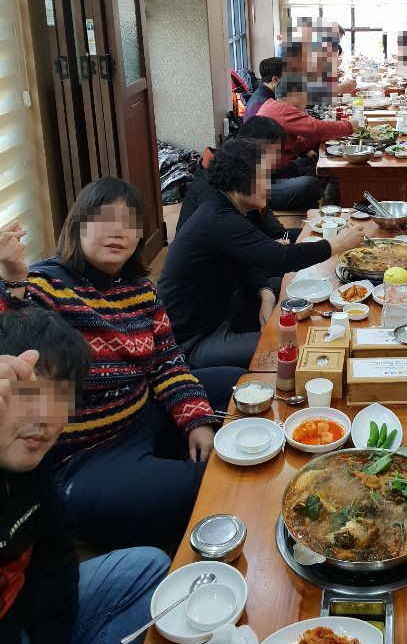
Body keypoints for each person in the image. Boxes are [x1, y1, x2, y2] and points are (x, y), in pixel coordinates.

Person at [0, 180, 238, 551]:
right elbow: (15, 341)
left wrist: (196, 420)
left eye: (129, 223)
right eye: (104, 220)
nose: (118, 232)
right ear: (77, 225)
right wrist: (13, 281)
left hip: (142, 416)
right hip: (84, 457)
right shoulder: (44, 285)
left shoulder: (141, 290)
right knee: (211, 484)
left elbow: (167, 362)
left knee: (240, 383)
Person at [0, 309, 171, 644]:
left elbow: (55, 560)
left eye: (60, 396)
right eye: (26, 393)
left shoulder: (36, 467)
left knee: (151, 564)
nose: (44, 417)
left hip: (28, 610)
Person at [159, 137, 365, 370]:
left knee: (286, 293)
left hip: (227, 311)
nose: (268, 185)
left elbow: (245, 261)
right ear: (240, 178)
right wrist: (337, 243)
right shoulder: (218, 217)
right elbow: (281, 258)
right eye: (263, 177)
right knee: (295, 347)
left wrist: (264, 292)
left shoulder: (227, 208)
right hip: (193, 341)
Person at [177, 117, 300, 240]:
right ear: (247, 147)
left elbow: (263, 213)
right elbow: (233, 238)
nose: (277, 160)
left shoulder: (242, 172)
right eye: (273, 154)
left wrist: (280, 235)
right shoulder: (214, 184)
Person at [256, 74, 357, 209]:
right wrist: (349, 126)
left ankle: (330, 203)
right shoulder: (285, 110)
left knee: (315, 167)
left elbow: (297, 142)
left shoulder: (271, 104)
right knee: (311, 183)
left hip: (275, 170)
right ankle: (324, 209)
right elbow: (316, 128)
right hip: (263, 183)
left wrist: (311, 144)